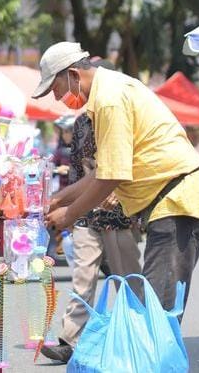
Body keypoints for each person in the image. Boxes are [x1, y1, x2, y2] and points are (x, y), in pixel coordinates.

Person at [34, 42, 199, 315]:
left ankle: (155, 358)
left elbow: (112, 176)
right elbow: (104, 170)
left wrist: (69, 214)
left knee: (156, 312)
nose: (58, 97)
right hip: (172, 202)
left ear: (73, 75)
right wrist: (55, 200)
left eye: (56, 88)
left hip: (178, 202)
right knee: (157, 308)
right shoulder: (108, 93)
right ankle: (152, 356)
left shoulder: (109, 98)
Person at [41, 100, 142, 363]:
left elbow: (133, 163)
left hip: (118, 214)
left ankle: (141, 336)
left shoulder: (122, 116)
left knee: (127, 278)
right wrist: (67, 207)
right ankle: (70, 340)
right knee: (82, 275)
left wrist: (120, 196)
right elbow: (78, 170)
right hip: (86, 210)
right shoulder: (82, 123)